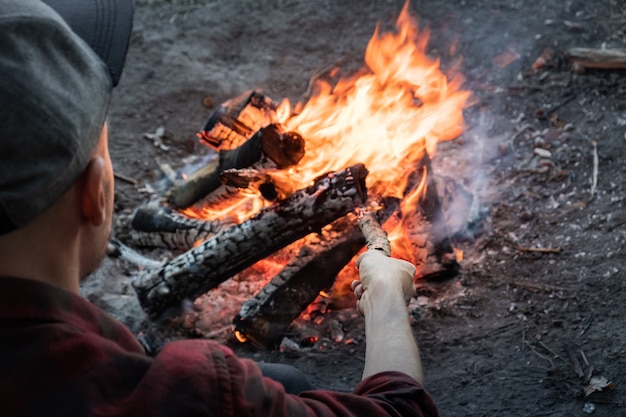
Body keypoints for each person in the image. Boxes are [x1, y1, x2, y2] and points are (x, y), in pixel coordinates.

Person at [0, 0, 441, 416]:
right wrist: (385, 298)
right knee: (289, 384)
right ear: (95, 193)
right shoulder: (184, 396)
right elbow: (399, 411)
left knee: (284, 380)